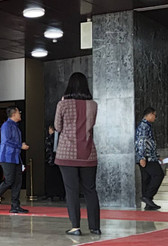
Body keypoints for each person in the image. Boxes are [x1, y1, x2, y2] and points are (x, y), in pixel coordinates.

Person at [54, 72, 100, 236]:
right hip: (88, 153)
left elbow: (57, 127)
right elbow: (92, 125)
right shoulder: (93, 105)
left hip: (67, 154)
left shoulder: (63, 104)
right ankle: (95, 227)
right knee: (90, 190)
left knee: (71, 191)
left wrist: (62, 103)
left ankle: (76, 227)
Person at [0, 106, 29, 213]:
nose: (20, 114)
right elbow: (6, 141)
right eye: (19, 112)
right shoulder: (6, 126)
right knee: (9, 180)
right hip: (7, 157)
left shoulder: (16, 126)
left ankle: (15, 205)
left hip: (16, 157)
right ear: (14, 114)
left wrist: (20, 145)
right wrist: (20, 146)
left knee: (17, 182)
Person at [135, 107, 163, 210]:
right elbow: (141, 142)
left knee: (146, 178)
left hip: (147, 156)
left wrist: (156, 156)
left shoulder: (146, 126)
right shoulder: (144, 126)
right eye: (154, 115)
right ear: (150, 114)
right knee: (158, 174)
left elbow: (149, 143)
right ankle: (147, 197)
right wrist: (142, 157)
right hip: (146, 157)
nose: (155, 118)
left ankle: (148, 203)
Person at [44, 125, 65, 201]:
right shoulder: (60, 136)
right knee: (58, 178)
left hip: (52, 160)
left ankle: (52, 194)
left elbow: (48, 148)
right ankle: (60, 194)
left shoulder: (51, 137)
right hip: (57, 160)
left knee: (52, 178)